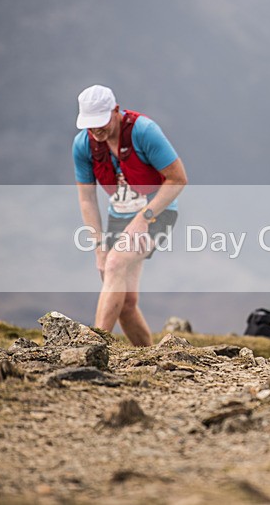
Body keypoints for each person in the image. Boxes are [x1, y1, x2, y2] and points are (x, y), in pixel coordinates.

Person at [72, 85, 187, 346]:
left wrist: (142, 219)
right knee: (124, 302)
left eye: (101, 123)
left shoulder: (144, 131)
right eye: (90, 125)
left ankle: (93, 347)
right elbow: (87, 198)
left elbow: (178, 179)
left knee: (114, 265)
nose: (96, 131)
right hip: (119, 216)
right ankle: (149, 357)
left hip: (158, 211)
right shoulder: (83, 145)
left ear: (115, 111)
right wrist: (99, 246)